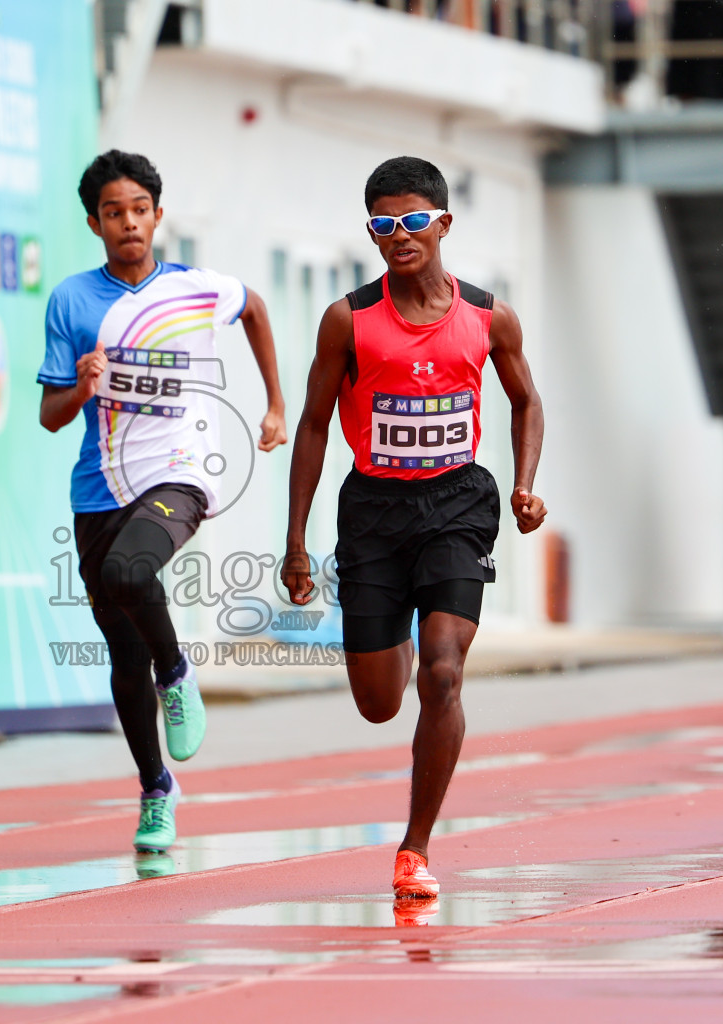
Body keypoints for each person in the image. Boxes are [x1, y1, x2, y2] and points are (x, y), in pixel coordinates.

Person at [281, 156, 545, 908]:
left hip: (459, 505)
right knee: (378, 701)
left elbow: (528, 403)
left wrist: (524, 484)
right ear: (372, 230)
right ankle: (390, 625)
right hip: (373, 510)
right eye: (384, 225)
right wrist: (296, 540)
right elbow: (312, 425)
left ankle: (414, 847)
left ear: (443, 225)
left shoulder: (489, 317)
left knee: (445, 675)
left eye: (414, 222)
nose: (400, 237)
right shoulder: (348, 320)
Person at [38, 150, 288, 854]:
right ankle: (156, 789)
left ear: (157, 214)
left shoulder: (195, 288)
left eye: (139, 210)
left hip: (179, 475)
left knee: (128, 573)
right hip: (98, 489)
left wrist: (274, 403)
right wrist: (82, 388)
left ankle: (176, 673)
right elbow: (50, 415)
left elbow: (257, 310)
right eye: (113, 213)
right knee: (121, 652)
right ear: (94, 222)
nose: (128, 224)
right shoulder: (72, 301)